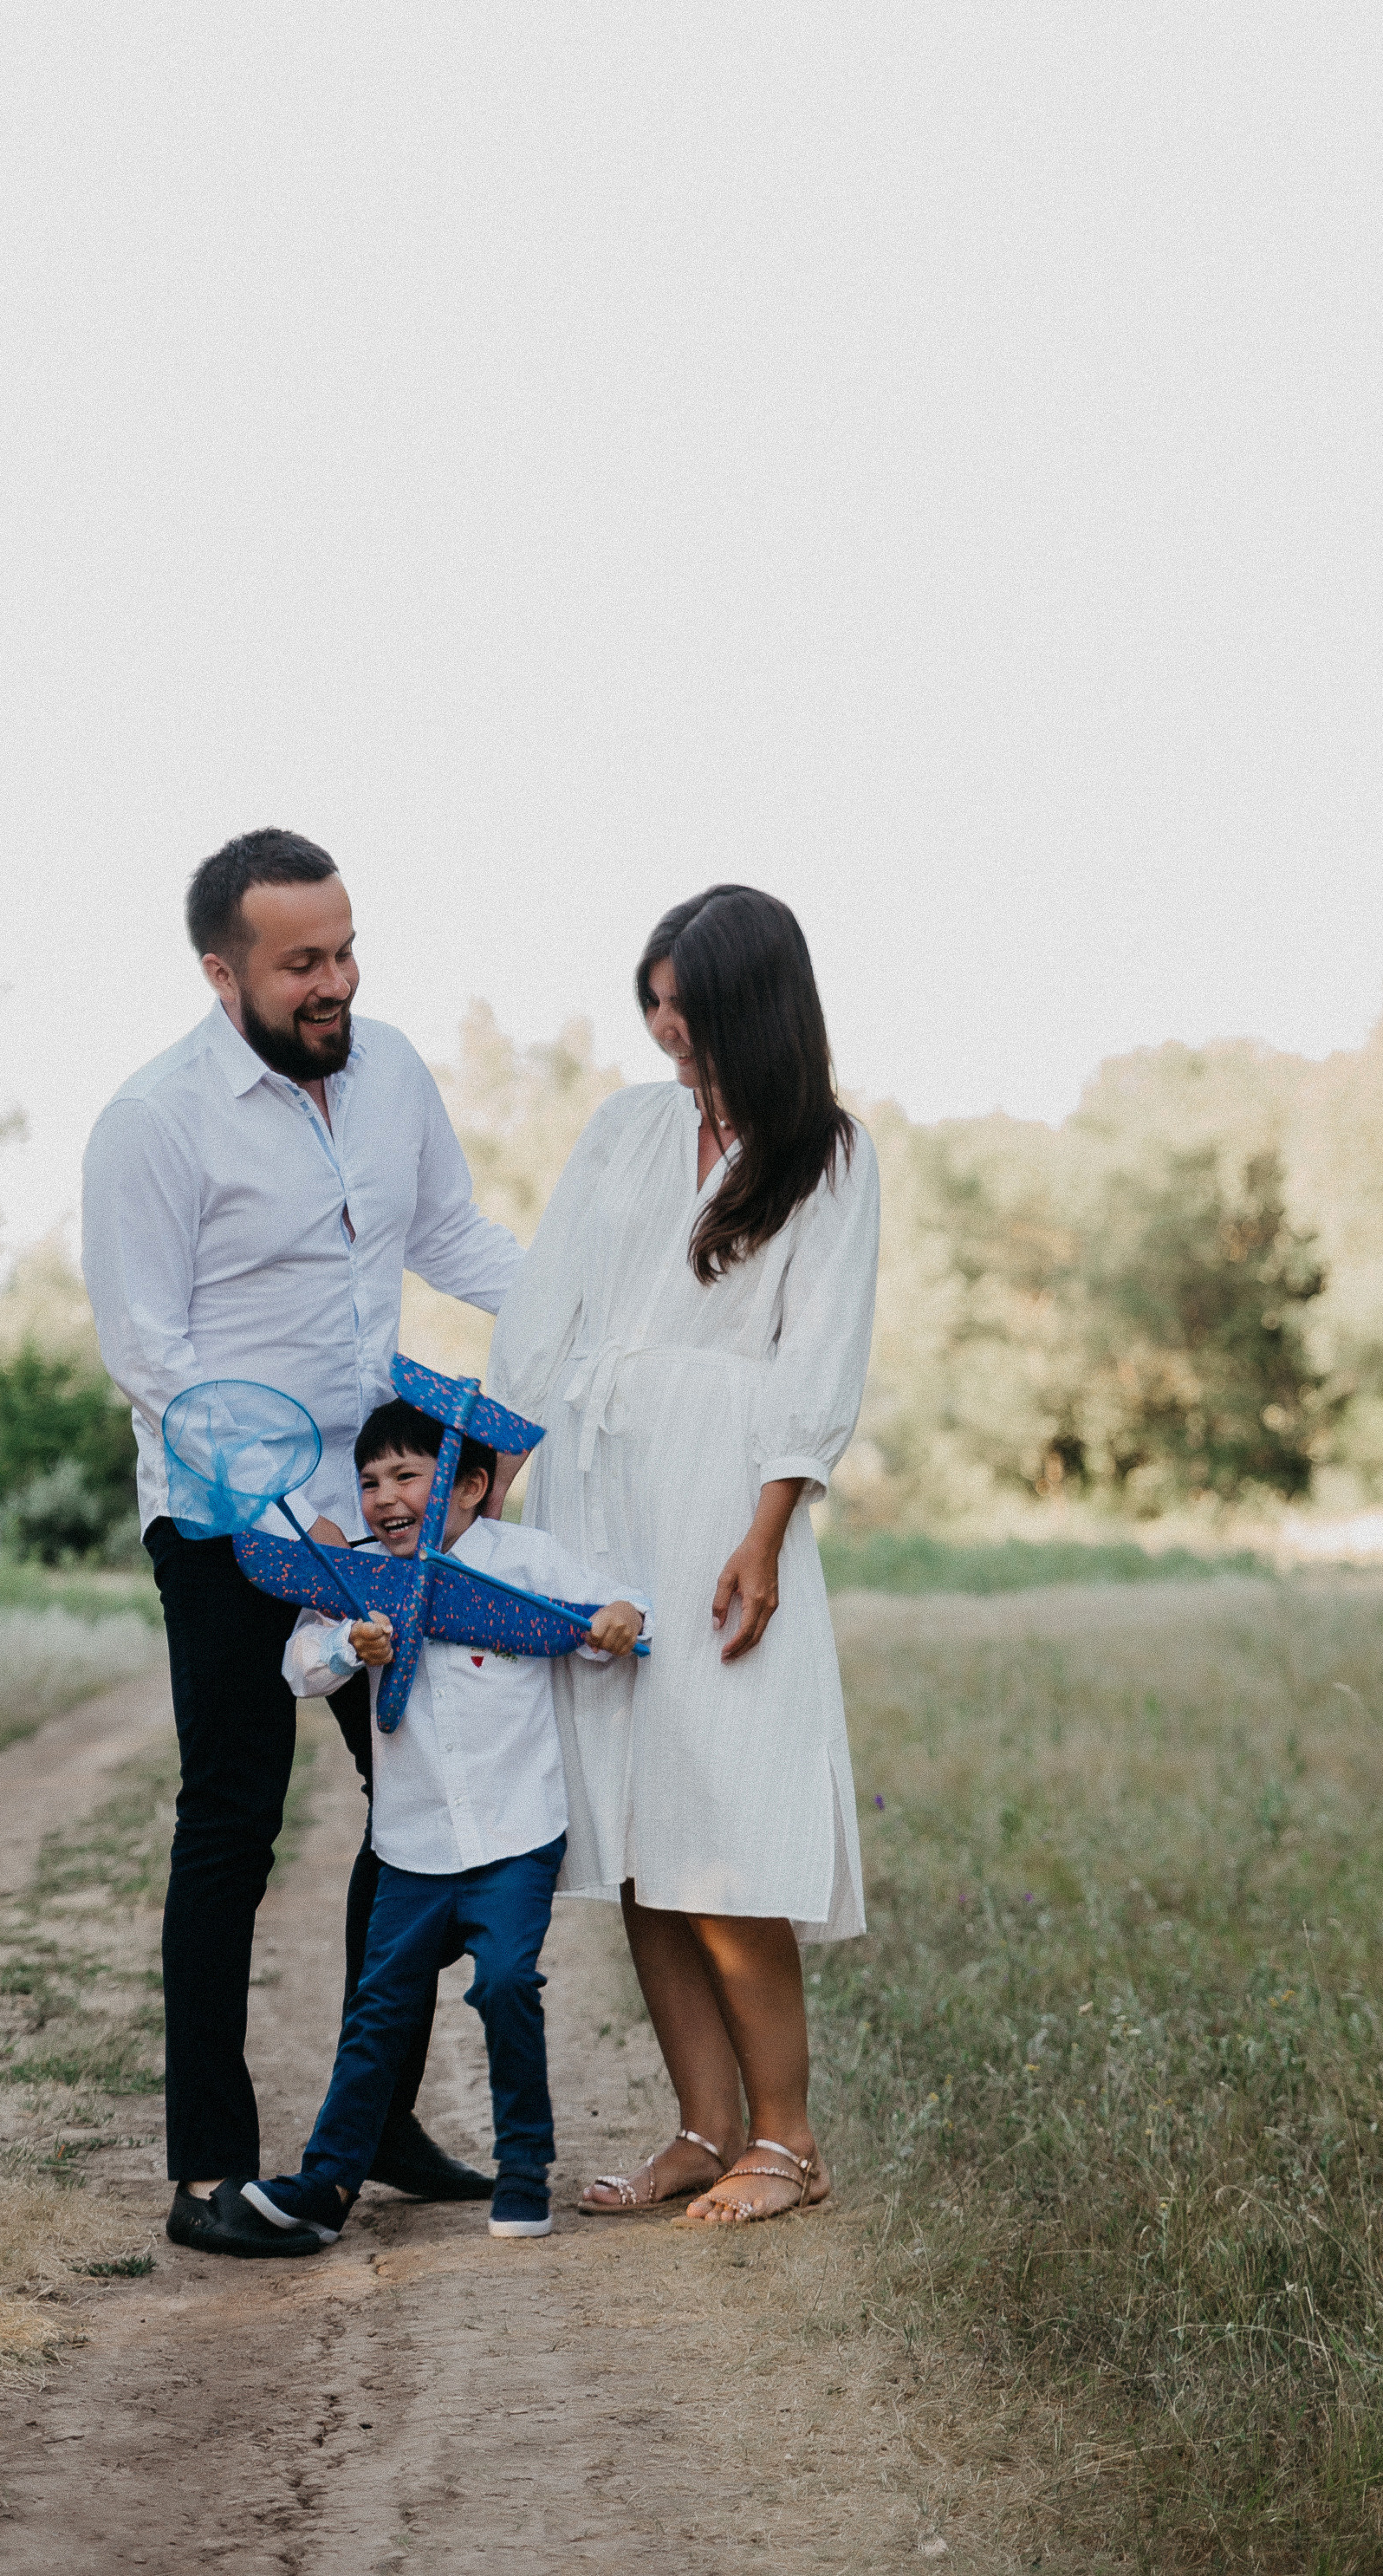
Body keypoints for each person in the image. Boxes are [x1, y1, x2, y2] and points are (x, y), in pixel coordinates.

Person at [81, 829, 523, 2260]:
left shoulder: (390, 1069)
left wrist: (584, 1325)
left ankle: (375, 2122)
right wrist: (293, 1518)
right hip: (226, 1525)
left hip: (379, 1513)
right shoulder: (151, 1123)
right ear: (222, 974)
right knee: (234, 1823)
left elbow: (454, 1236)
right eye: (299, 964)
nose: (333, 982)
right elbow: (153, 1356)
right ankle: (207, 2165)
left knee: (423, 1808)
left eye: (343, 951)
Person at [485, 885, 880, 2226]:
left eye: (689, 1009)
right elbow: (546, 1311)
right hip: (600, 1506)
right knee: (640, 1830)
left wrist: (766, 1533)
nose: (665, 1032)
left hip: (720, 1503)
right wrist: (493, 1487)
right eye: (651, 1003)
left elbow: (818, 1353)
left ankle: (790, 2140)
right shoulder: (622, 1132)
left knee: (724, 1824)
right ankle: (705, 2128)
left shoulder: (824, 1154)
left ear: (753, 1010)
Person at [242, 1396, 647, 2247]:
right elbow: (298, 1665)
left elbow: (602, 1605)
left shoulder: (521, 1561)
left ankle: (525, 2164)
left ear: (467, 1485)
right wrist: (355, 1646)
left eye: (405, 1475)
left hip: (513, 1835)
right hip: (413, 1846)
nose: (383, 1495)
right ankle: (325, 2185)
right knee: (378, 2008)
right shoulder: (353, 1579)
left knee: (504, 1981)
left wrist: (620, 1616)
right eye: (368, 1480)